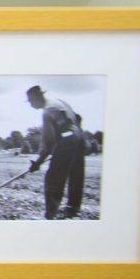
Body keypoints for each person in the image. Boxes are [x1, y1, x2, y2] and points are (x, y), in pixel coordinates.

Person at [25, 85, 86, 219]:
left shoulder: (47, 111)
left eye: (30, 101)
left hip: (68, 140)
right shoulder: (59, 102)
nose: (30, 105)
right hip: (79, 137)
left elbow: (48, 142)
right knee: (76, 175)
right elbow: (78, 117)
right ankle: (73, 209)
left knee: (53, 179)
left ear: (37, 98)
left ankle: (50, 214)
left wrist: (38, 162)